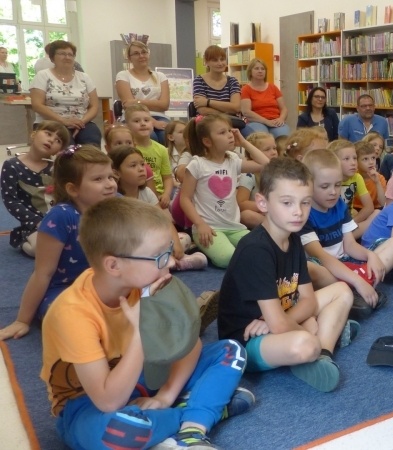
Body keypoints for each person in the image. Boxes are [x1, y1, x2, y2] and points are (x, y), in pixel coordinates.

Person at [41, 196, 253, 449]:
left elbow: (189, 346)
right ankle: (200, 411)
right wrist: (141, 332)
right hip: (87, 405)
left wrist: (165, 396)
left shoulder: (150, 284)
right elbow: (108, 402)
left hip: (145, 379)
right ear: (113, 265)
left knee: (232, 351)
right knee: (120, 431)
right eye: (160, 256)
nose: (172, 262)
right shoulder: (73, 314)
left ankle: (189, 425)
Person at [218, 158, 357, 392]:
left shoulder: (292, 239)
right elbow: (283, 322)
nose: (298, 212)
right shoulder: (256, 249)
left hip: (275, 319)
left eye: (305, 203)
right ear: (262, 203)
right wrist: (300, 327)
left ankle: (322, 353)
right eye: (287, 203)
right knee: (306, 342)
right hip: (246, 341)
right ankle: (323, 343)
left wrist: (280, 322)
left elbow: (308, 299)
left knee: (342, 291)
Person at [0, 146, 116, 341]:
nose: (110, 184)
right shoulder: (61, 217)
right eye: (98, 179)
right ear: (73, 189)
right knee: (72, 320)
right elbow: (42, 272)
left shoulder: (116, 206)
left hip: (104, 285)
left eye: (110, 177)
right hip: (64, 289)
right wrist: (22, 320)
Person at [300, 149, 393, 319]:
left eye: (338, 185)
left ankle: (354, 294)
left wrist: (371, 255)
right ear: (307, 185)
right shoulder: (304, 213)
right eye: (325, 186)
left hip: (348, 262)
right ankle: (357, 288)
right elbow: (323, 257)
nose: (333, 192)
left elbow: (350, 245)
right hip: (326, 269)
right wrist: (358, 280)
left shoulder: (339, 204)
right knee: (309, 268)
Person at [179, 114, 269, 268]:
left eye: (229, 131)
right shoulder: (197, 164)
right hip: (209, 228)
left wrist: (244, 142)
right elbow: (185, 199)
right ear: (207, 141)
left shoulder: (233, 160)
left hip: (234, 227)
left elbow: (266, 164)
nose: (229, 135)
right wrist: (200, 224)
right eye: (222, 132)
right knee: (228, 258)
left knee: (263, 250)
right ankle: (202, 248)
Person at [109, 146, 207, 271]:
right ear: (116, 173)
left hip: (152, 241)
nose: (141, 169)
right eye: (133, 166)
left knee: (183, 238)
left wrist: (176, 242)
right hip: (131, 246)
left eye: (142, 164)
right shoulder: (116, 199)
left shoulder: (146, 192)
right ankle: (173, 264)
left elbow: (163, 220)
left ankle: (166, 262)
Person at [1, 121, 69, 256]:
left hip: (59, 219)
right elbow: (11, 201)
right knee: (41, 250)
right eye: (48, 134)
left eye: (58, 140)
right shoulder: (12, 166)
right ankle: (21, 239)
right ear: (33, 135)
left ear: (59, 150)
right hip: (33, 223)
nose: (51, 140)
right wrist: (36, 222)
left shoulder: (58, 167)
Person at [29, 40, 101, 146]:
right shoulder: (42, 75)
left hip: (82, 123)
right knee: (67, 146)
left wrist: (81, 122)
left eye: (70, 54)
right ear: (52, 58)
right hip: (51, 122)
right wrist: (64, 121)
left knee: (91, 140)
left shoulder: (84, 77)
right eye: (62, 54)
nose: (67, 57)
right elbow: (37, 105)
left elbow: (94, 106)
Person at [115, 41, 171, 144]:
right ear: (129, 57)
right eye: (136, 53)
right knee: (150, 136)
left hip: (160, 117)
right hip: (133, 118)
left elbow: (164, 105)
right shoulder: (123, 75)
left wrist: (137, 102)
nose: (141, 56)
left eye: (144, 52)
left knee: (167, 136)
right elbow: (129, 106)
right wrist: (152, 122)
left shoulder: (161, 76)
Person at [125, 104, 173, 209]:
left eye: (146, 120)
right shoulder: (128, 150)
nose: (142, 124)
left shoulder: (161, 150)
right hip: (137, 193)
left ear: (152, 123)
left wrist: (166, 194)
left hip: (160, 194)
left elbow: (167, 178)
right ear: (127, 126)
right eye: (137, 121)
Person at [192, 45, 249, 132]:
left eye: (222, 59)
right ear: (206, 62)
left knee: (251, 133)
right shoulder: (199, 81)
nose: (220, 63)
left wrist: (208, 102)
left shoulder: (232, 81)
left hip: (231, 122)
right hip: (207, 122)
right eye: (215, 60)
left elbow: (236, 107)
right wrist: (226, 112)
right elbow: (202, 110)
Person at [329, 139, 376, 239]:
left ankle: (347, 238)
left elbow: (369, 207)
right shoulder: (328, 180)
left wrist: (351, 223)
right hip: (331, 227)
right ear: (333, 161)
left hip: (349, 224)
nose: (353, 163)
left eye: (354, 158)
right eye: (346, 159)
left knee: (377, 213)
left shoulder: (357, 177)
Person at [237, 132, 279, 229]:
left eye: (274, 148)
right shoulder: (249, 175)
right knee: (246, 215)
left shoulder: (278, 173)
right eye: (267, 149)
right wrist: (267, 207)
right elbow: (241, 203)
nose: (273, 152)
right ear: (253, 154)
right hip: (259, 212)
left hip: (275, 212)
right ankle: (276, 228)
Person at [240, 58, 290, 138]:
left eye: (262, 69)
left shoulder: (273, 87)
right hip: (256, 122)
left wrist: (281, 119)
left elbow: (284, 109)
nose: (260, 71)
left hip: (275, 121)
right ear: (250, 71)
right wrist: (266, 121)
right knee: (263, 140)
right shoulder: (246, 89)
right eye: (256, 68)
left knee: (283, 139)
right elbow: (246, 112)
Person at [353, 139, 387, 211]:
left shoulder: (380, 178)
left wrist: (377, 182)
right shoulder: (353, 176)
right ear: (356, 161)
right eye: (365, 159)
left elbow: (383, 203)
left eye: (373, 158)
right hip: (355, 209)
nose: (371, 162)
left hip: (375, 209)